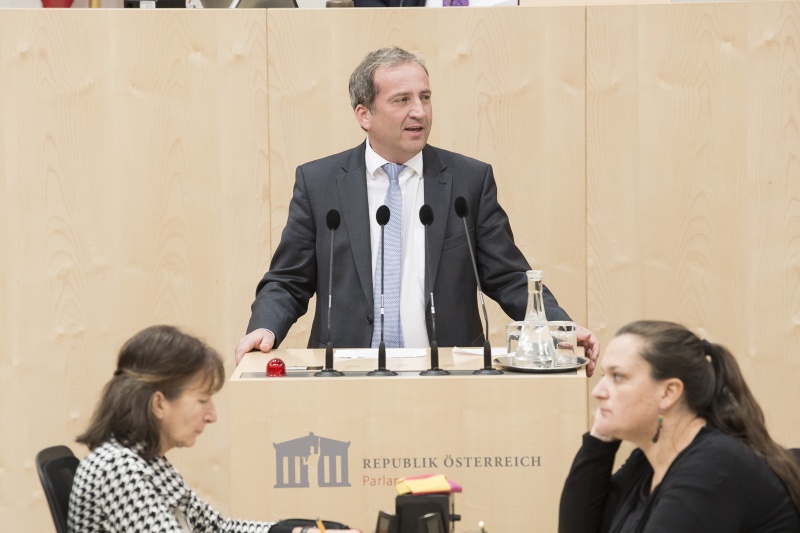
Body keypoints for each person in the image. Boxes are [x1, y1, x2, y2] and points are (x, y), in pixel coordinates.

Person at [236, 46, 598, 374]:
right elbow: (289, 280)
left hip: (447, 371)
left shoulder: (468, 180)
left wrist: (557, 327)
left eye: (425, 97)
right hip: (346, 372)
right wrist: (264, 328)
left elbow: (508, 276)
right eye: (402, 100)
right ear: (364, 114)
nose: (419, 111)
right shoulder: (320, 183)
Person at [559, 320, 800, 533]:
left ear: (668, 393)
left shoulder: (713, 465)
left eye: (618, 377)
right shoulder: (646, 463)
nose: (598, 391)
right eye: (604, 376)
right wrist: (601, 438)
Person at [68, 325, 276, 532]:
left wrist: (287, 530)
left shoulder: (148, 461)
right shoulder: (116, 468)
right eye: (203, 401)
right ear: (159, 404)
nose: (212, 416)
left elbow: (215, 528)